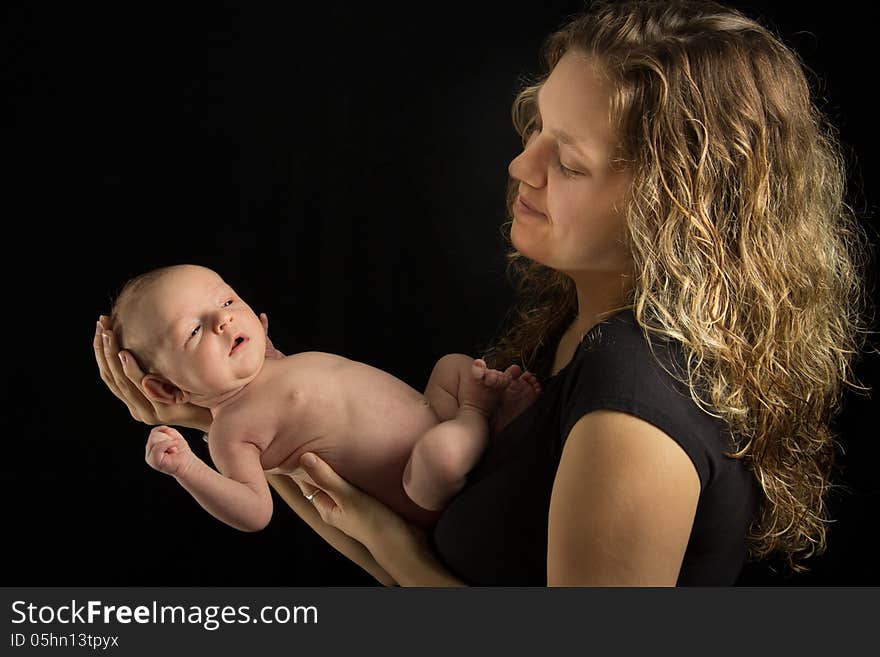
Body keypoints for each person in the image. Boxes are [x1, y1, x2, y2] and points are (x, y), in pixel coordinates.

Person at [94, 0, 873, 586]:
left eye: (565, 161)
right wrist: (223, 417)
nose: (519, 167)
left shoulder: (633, 404)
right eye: (534, 127)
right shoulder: (573, 327)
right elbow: (334, 478)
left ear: (673, 205)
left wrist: (401, 553)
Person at [106, 263, 541, 537]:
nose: (222, 318)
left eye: (226, 300)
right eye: (195, 331)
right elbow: (255, 512)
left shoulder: (272, 362)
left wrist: (265, 348)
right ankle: (480, 416)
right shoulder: (230, 431)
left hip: (432, 418)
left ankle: (480, 427)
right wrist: (187, 468)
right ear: (166, 390)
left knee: (453, 366)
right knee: (441, 452)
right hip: (421, 484)